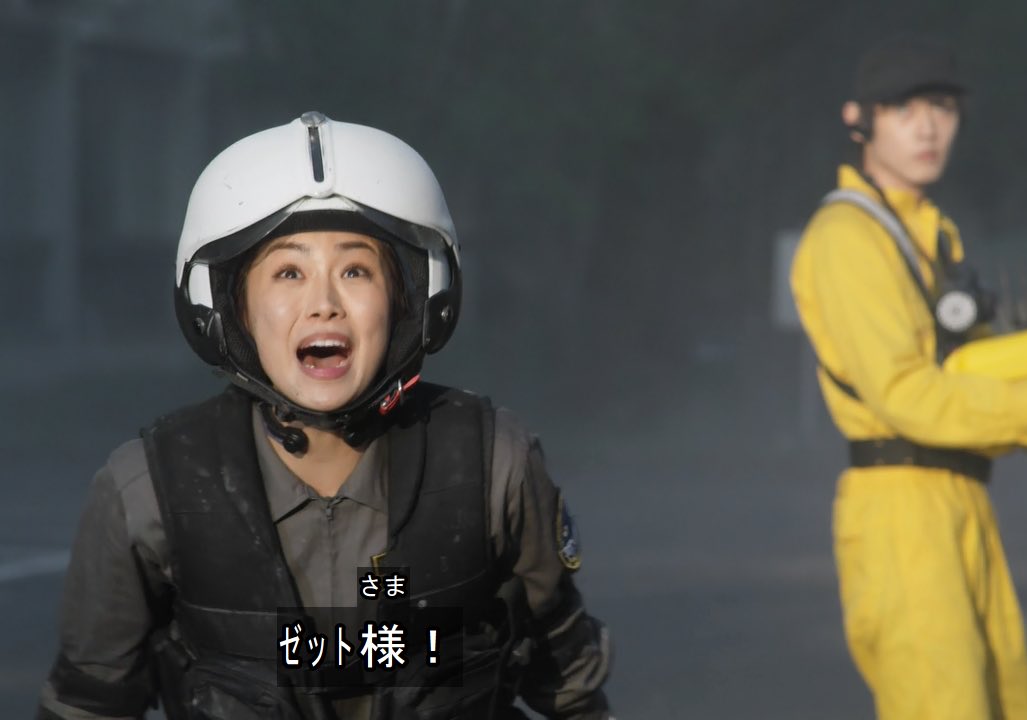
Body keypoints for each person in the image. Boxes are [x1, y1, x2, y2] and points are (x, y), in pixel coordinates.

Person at [37, 112, 613, 720]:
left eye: (355, 270)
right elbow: (88, 703)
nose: (324, 304)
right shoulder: (149, 490)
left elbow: (570, 683)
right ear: (231, 308)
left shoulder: (494, 467)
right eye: (288, 272)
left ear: (410, 300)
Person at [789, 35, 1027, 719]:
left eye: (942, 108)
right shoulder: (847, 238)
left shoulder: (930, 235)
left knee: (1006, 705)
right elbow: (906, 396)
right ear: (859, 120)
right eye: (904, 109)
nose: (927, 127)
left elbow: (974, 377)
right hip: (902, 513)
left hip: (962, 497)